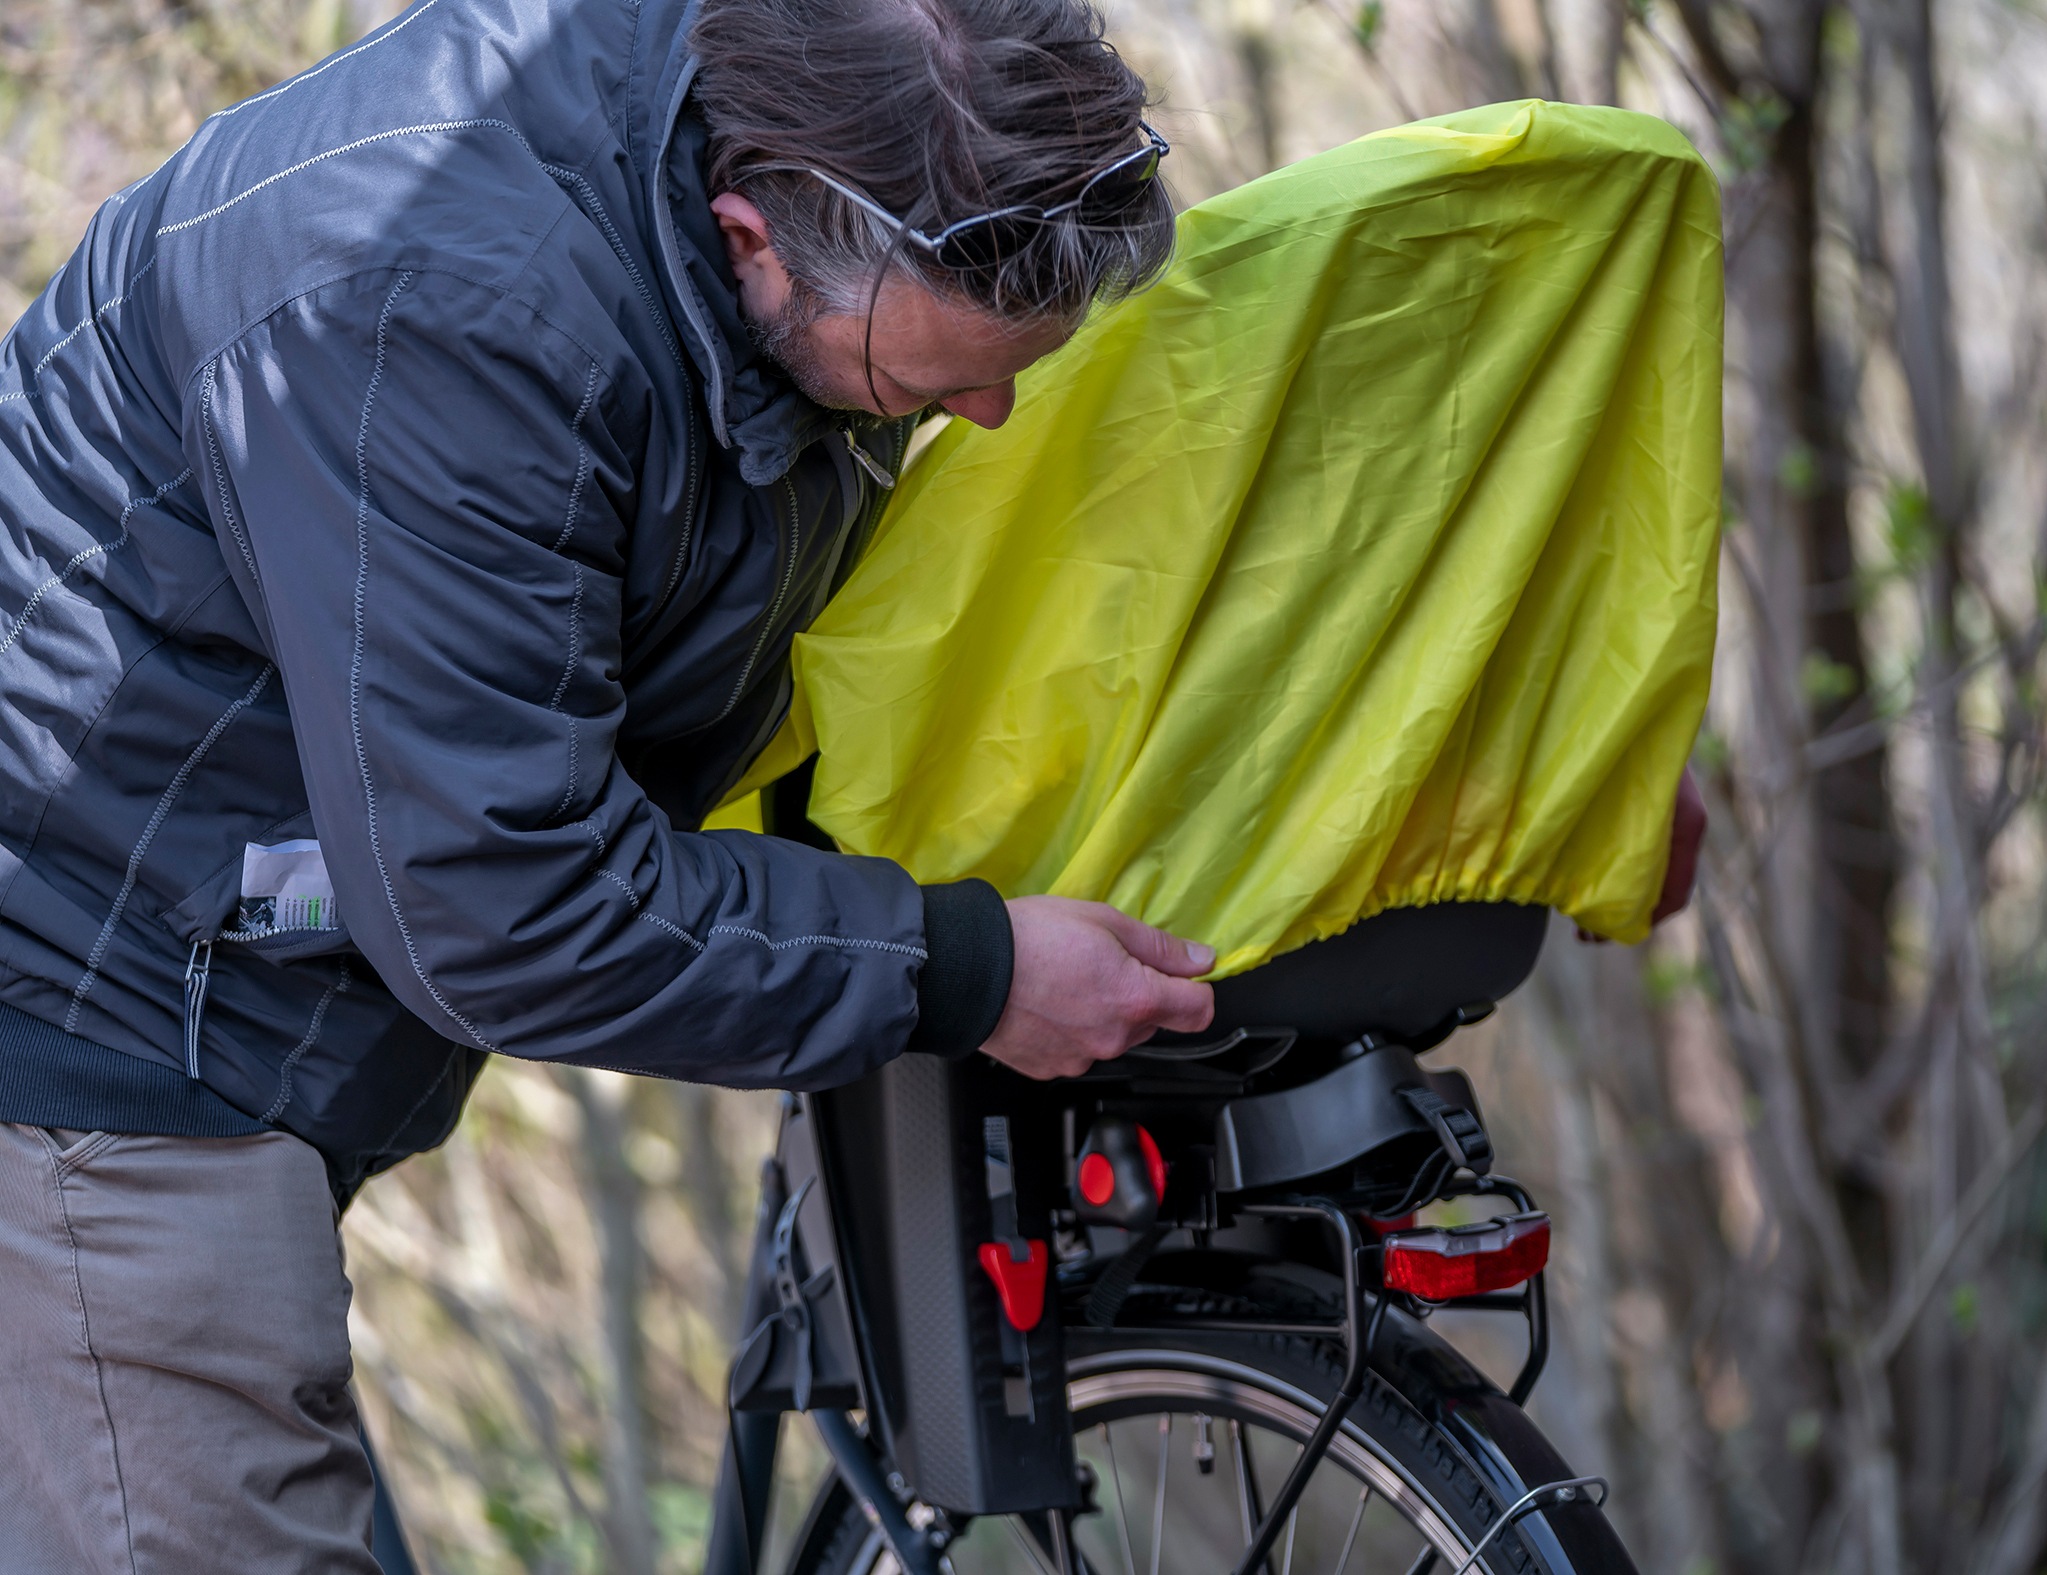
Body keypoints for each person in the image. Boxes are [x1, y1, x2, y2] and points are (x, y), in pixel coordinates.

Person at [0, 0, 1217, 1567]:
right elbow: (500, 897)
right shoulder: (428, 299)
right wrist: (960, 966)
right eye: (924, 389)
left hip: (265, 1009)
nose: (979, 415)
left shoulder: (779, 151)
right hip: (89, 1029)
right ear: (748, 235)